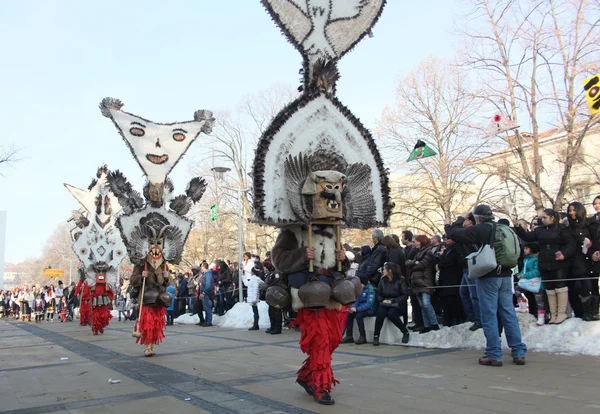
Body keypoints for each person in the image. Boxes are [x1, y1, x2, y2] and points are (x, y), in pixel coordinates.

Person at [448, 204, 527, 366]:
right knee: (508, 313)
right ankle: (518, 352)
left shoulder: (482, 229)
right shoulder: (504, 228)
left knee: (489, 315)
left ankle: (494, 354)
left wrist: (461, 217)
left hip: (489, 275)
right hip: (506, 274)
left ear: (477, 218)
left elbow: (453, 233)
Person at [514, 208, 576, 324]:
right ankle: (553, 314)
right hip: (544, 262)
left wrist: (564, 253)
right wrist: (518, 227)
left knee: (560, 286)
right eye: (542, 217)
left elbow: (571, 244)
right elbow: (528, 237)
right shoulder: (539, 231)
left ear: (552, 218)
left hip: (559, 262)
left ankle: (561, 313)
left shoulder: (562, 229)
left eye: (544, 217)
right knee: (549, 287)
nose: (542, 220)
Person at [565, 201, 595, 320]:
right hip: (573, 261)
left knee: (588, 286)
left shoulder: (589, 225)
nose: (572, 213)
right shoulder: (568, 228)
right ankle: (579, 312)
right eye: (570, 211)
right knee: (575, 287)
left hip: (587, 260)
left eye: (574, 210)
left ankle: (590, 311)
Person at [406, 235, 439, 333]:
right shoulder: (418, 253)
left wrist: (413, 263)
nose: (414, 243)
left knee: (426, 303)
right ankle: (426, 325)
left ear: (421, 242)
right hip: (417, 283)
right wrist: (414, 263)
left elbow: (421, 265)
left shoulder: (428, 252)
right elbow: (409, 264)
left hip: (425, 282)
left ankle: (434, 323)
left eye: (416, 241)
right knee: (422, 305)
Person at [372, 262, 410, 345]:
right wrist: (382, 300)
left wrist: (393, 301)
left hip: (396, 304)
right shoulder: (382, 280)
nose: (383, 271)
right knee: (380, 314)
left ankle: (405, 332)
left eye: (384, 269)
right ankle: (376, 335)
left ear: (390, 271)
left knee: (391, 314)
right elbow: (378, 293)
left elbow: (405, 295)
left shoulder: (400, 280)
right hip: (385, 302)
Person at [513, 243, 545, 325]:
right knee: (517, 289)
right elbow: (524, 270)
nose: (524, 250)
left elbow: (537, 271)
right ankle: (522, 306)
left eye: (526, 248)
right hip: (528, 282)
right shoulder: (526, 259)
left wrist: (525, 276)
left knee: (539, 301)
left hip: (536, 283)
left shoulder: (536, 259)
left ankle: (541, 318)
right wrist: (519, 275)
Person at [436, 239, 465, 327]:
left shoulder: (456, 250)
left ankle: (457, 318)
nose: (446, 241)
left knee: (453, 300)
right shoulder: (447, 250)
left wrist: (440, 264)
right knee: (446, 301)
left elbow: (449, 261)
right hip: (445, 279)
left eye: (449, 239)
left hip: (453, 279)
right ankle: (448, 319)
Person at [341, 278, 377, 345]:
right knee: (350, 314)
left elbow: (369, 304)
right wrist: (353, 307)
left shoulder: (371, 289)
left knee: (359, 316)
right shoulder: (360, 289)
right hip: (360, 308)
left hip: (370, 309)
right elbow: (356, 300)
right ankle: (349, 336)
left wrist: (357, 309)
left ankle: (362, 337)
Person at [586, 195, 600, 321]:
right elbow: (587, 241)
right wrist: (592, 253)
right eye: (595, 203)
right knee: (594, 284)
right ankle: (595, 310)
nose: (597, 205)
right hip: (595, 258)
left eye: (599, 203)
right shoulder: (590, 222)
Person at [198, 262, 215, 327]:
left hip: (207, 293)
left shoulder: (208, 274)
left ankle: (209, 321)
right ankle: (206, 320)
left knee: (208, 307)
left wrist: (203, 293)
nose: (200, 268)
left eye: (201, 266)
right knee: (206, 307)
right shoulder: (204, 274)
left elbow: (208, 285)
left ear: (204, 267)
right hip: (204, 293)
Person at [247, 264, 262, 331]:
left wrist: (254, 299)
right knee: (254, 311)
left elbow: (255, 289)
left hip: (253, 298)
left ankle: (256, 325)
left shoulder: (255, 279)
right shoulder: (254, 279)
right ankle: (256, 324)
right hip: (252, 297)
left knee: (255, 312)